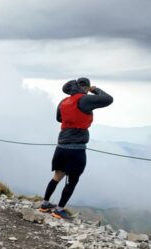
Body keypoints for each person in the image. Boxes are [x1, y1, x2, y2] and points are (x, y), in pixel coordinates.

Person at [38, 77, 113, 219]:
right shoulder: (85, 99)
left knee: (57, 176)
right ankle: (59, 210)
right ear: (86, 87)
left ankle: (44, 204)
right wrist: (94, 90)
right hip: (77, 148)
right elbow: (108, 99)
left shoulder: (64, 101)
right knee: (73, 180)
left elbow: (59, 119)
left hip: (61, 145)